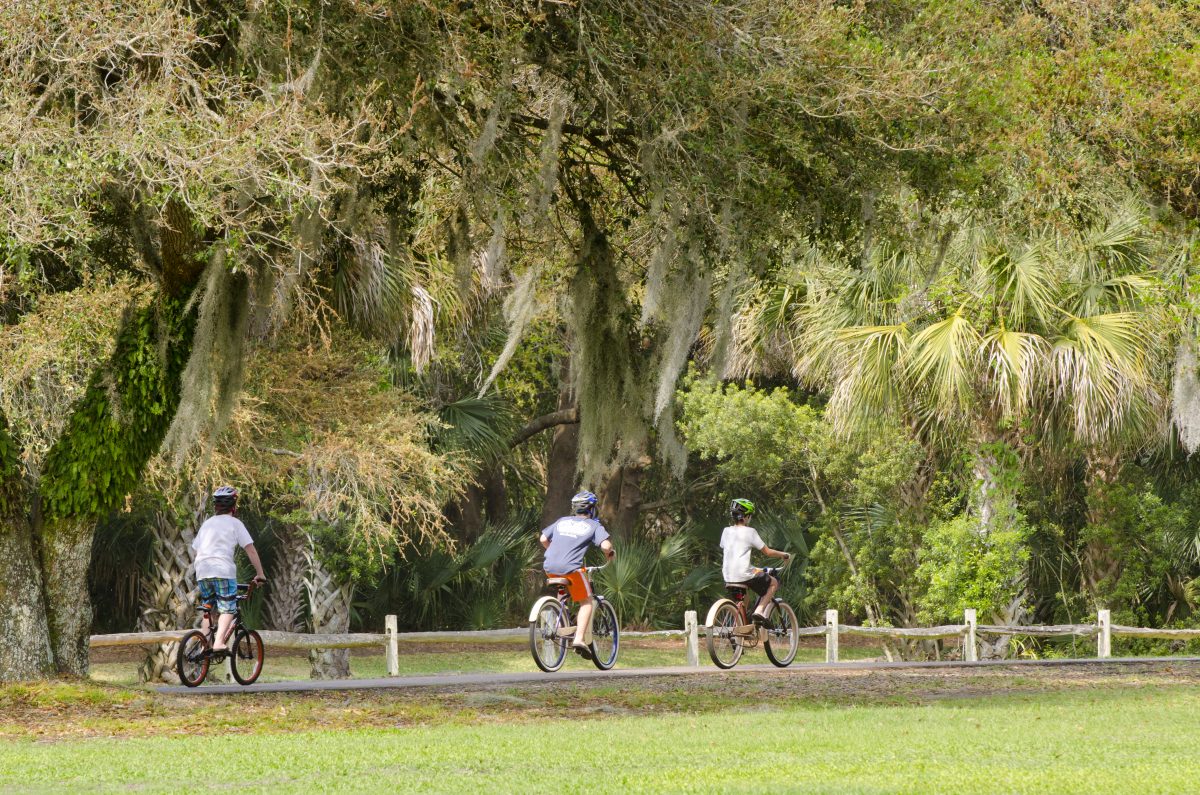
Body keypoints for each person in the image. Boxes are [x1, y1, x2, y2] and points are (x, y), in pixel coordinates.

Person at [540, 490, 615, 659]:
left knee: (562, 589)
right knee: (586, 601)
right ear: (592, 509)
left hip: (549, 566)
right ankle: (579, 639)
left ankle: (561, 620)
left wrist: (555, 552)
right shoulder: (594, 525)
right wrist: (610, 554)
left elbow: (543, 539)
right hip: (571, 568)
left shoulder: (562, 521)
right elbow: (605, 546)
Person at [192, 486, 266, 654]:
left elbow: (196, 550)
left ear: (216, 506)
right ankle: (218, 642)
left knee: (208, 607)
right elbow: (251, 550)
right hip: (222, 571)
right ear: (234, 505)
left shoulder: (207, 523)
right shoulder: (235, 523)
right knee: (227, 608)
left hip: (202, 571)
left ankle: (205, 643)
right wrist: (260, 574)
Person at [720, 498, 789, 623]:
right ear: (746, 516)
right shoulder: (750, 532)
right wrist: (783, 555)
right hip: (744, 575)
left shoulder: (726, 531)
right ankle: (760, 611)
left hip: (728, 576)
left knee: (743, 599)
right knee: (773, 583)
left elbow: (735, 555)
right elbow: (767, 552)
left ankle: (742, 625)